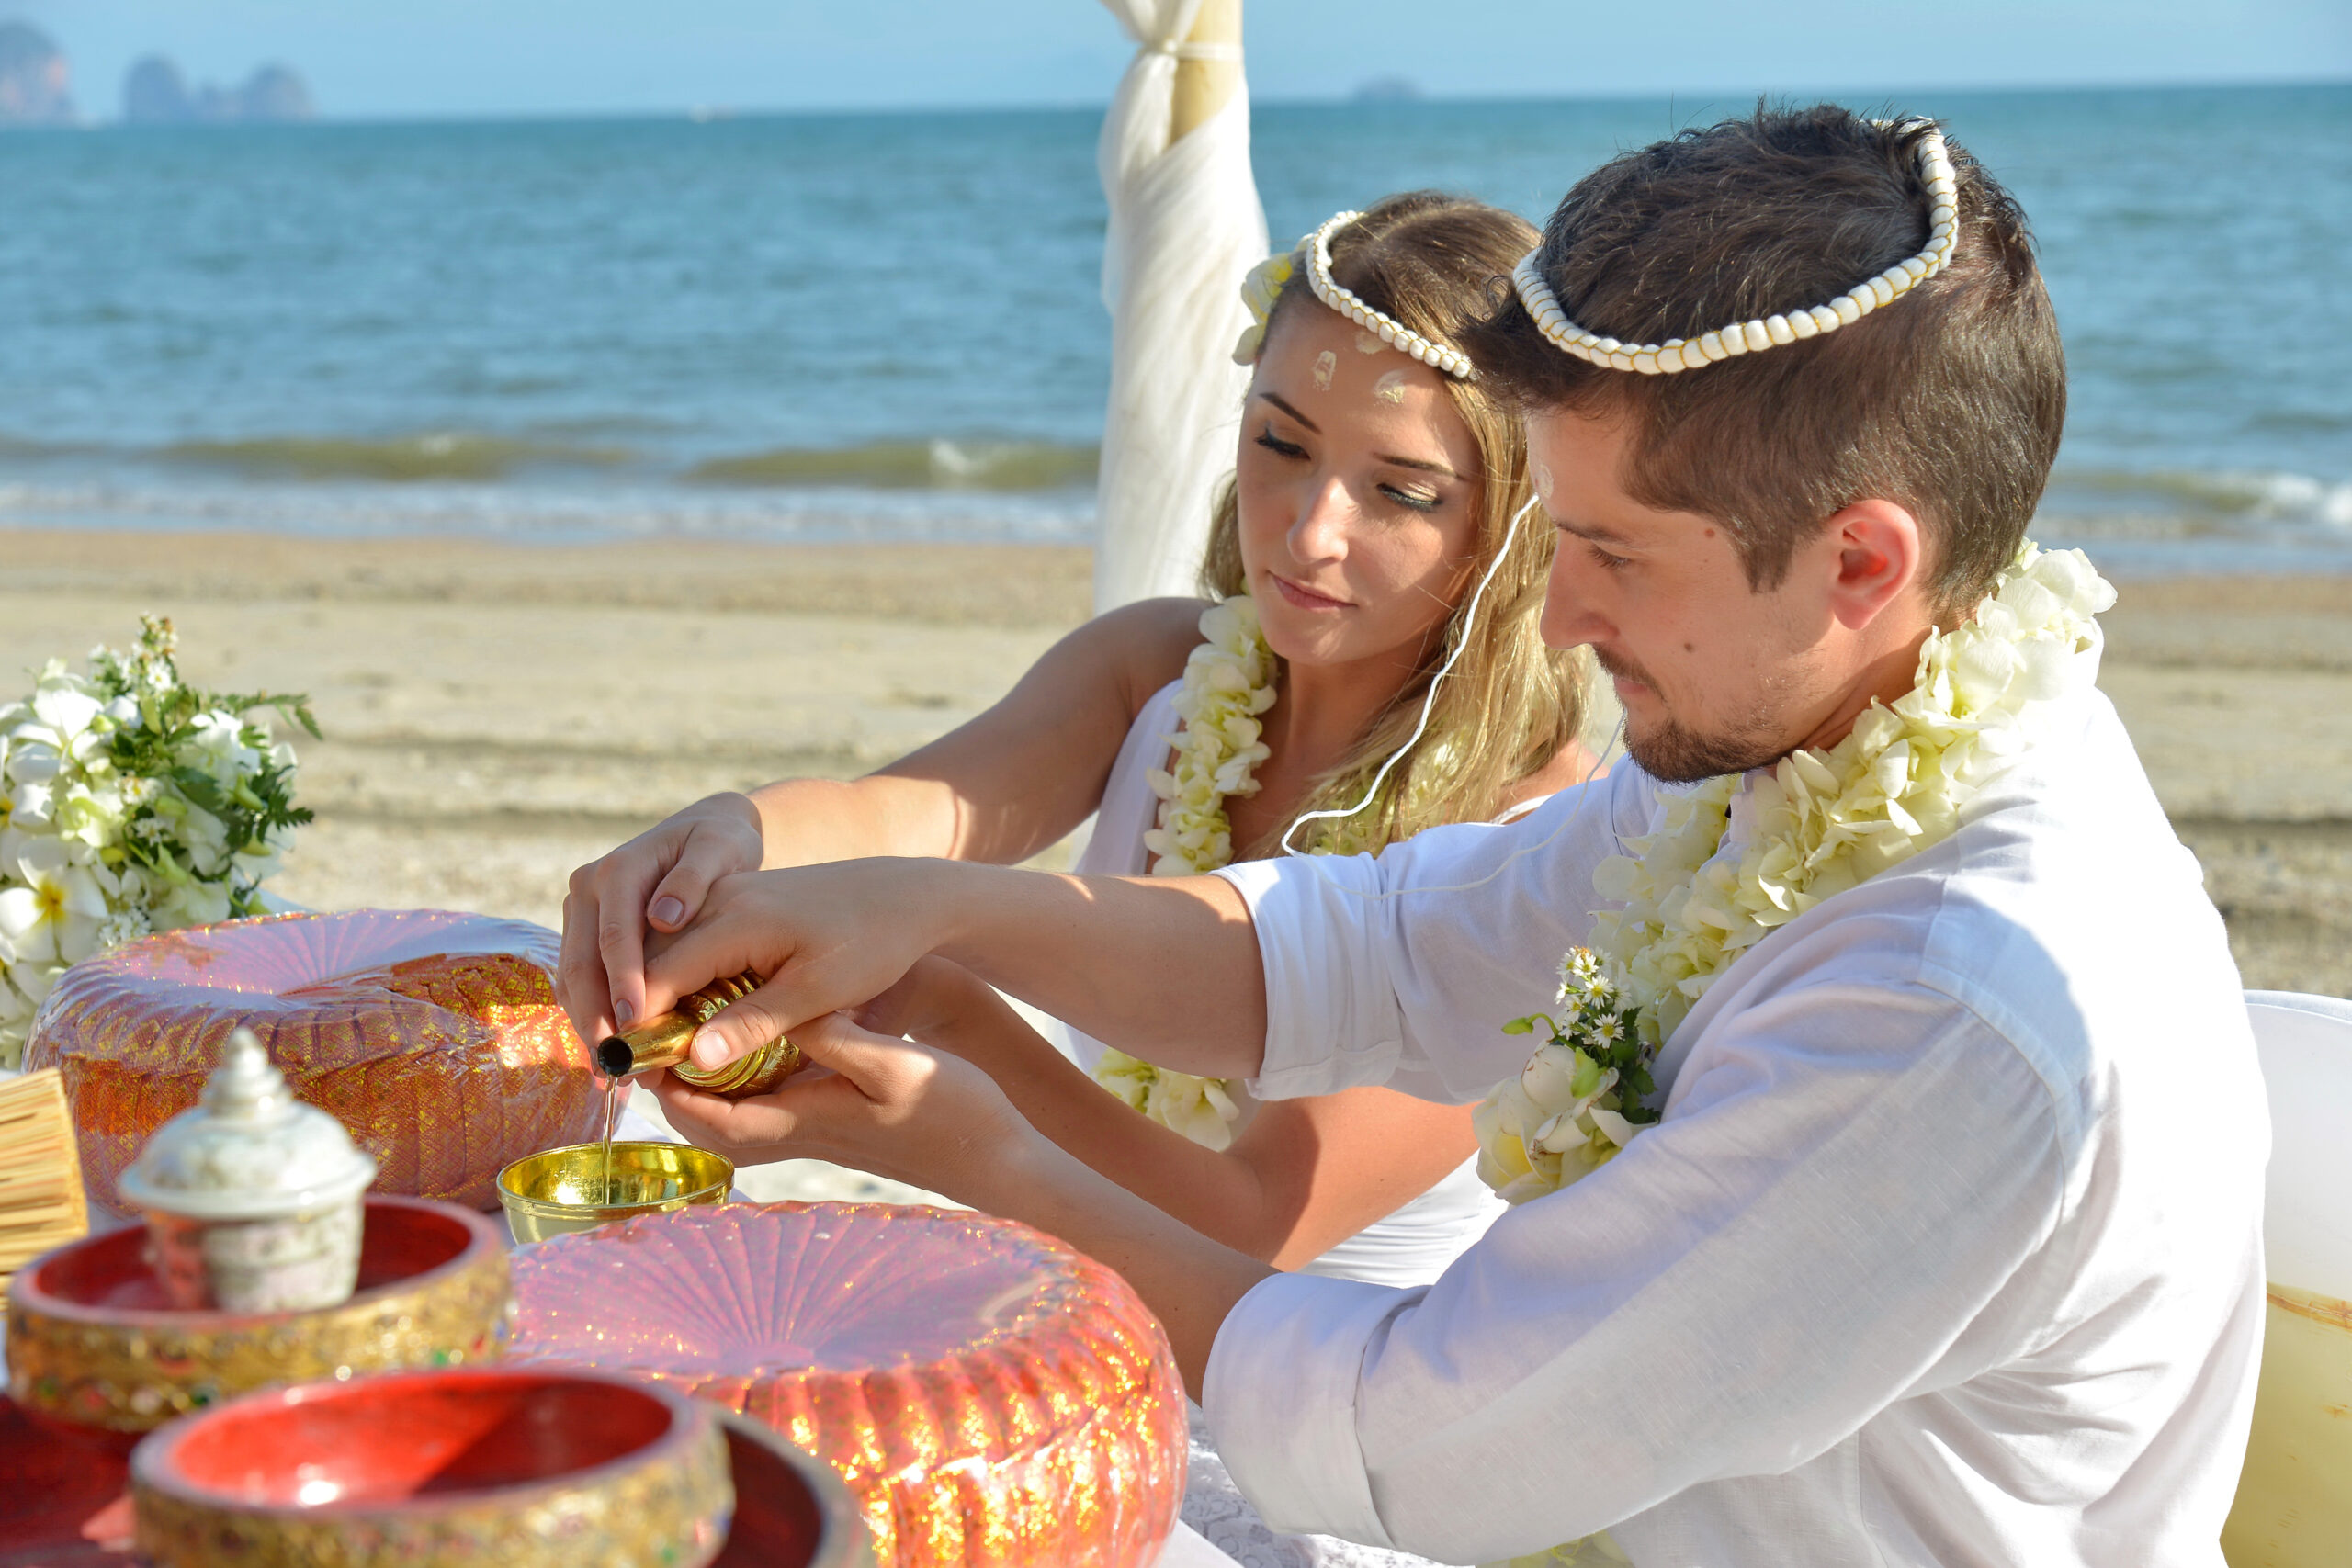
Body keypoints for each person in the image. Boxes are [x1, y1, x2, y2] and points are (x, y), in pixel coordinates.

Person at [628, 106, 2267, 1566]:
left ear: (1859, 562)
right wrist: (918, 909)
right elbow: (1375, 947)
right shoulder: (1811, 736)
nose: (1553, 607)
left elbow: (1418, 1441)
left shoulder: (1954, 1003)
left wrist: (972, 1148)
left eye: (1616, 552)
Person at [560, 193, 1600, 1290]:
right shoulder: (1160, 670)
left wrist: (961, 1026)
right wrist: (731, 831)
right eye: (1280, 441)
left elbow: (1249, 1225)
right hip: (1083, 1317)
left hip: (1324, 1398)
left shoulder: (1530, 849)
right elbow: (916, 811)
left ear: (1522, 523)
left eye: (1400, 491)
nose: (1307, 529)